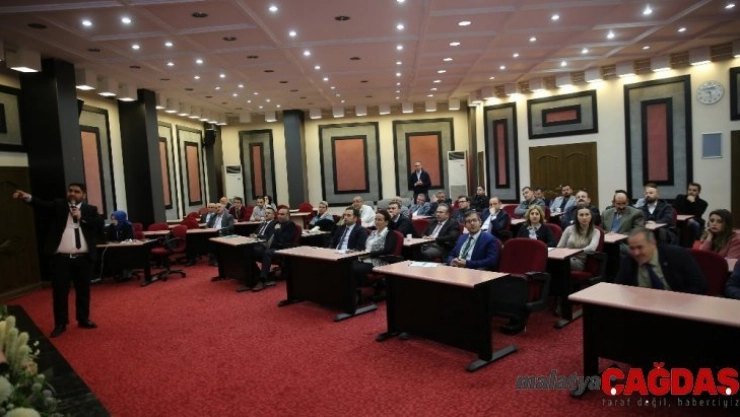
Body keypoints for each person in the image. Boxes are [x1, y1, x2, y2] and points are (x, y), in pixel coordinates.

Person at [12, 183, 103, 338]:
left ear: (84, 195)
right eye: (70, 190)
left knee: (83, 291)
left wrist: (82, 217)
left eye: (77, 191)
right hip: (61, 259)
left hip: (83, 259)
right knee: (60, 292)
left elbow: (99, 223)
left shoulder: (90, 210)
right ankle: (60, 323)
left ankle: (83, 319)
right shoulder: (59, 205)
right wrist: (27, 197)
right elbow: (41, 205)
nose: (72, 193)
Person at [616, 228, 707, 294]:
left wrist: (676, 300)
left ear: (653, 243)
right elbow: (619, 289)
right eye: (632, 248)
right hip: (642, 307)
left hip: (678, 306)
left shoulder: (677, 255)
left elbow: (700, 285)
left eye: (640, 247)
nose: (636, 253)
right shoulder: (628, 261)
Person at [246, 207, 297, 292]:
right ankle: (254, 276)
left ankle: (262, 280)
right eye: (278, 214)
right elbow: (268, 237)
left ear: (288, 215)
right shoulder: (276, 224)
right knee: (249, 251)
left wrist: (278, 230)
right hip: (271, 246)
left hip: (282, 248)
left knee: (267, 253)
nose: (279, 216)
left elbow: (283, 240)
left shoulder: (290, 224)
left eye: (282, 214)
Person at [351, 210, 400, 287]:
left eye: (379, 220)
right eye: (375, 219)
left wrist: (369, 255)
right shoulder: (373, 232)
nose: (376, 222)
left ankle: (360, 289)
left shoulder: (390, 233)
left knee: (354, 269)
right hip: (364, 258)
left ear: (386, 222)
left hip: (378, 261)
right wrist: (358, 251)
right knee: (346, 267)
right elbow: (366, 247)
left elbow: (387, 250)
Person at [557, 205, 602, 271]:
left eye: (587, 214)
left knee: (561, 263)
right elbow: (559, 247)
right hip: (566, 257)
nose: (584, 217)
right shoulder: (569, 229)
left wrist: (575, 252)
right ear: (577, 217)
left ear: (591, 216)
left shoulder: (596, 231)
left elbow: (592, 248)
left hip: (580, 262)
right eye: (581, 215)